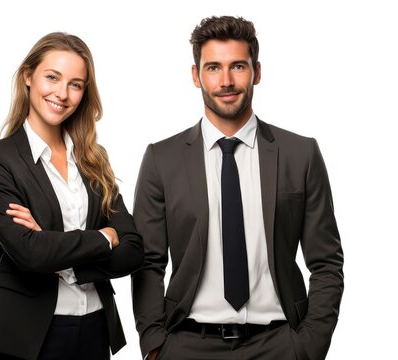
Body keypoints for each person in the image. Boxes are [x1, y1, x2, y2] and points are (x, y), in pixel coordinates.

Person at [132, 15, 343, 360]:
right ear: (195, 75)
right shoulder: (162, 159)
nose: (226, 81)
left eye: (238, 67)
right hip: (187, 345)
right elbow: (148, 263)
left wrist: (308, 345)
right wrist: (155, 345)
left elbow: (326, 262)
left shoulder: (300, 154)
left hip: (278, 344)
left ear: (257, 72)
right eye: (213, 67)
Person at [0, 32, 143, 360]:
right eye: (52, 77)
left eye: (75, 84)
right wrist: (103, 238)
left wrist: (56, 249)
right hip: (25, 334)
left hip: (94, 329)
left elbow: (133, 250)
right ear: (28, 76)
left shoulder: (93, 159)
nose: (62, 93)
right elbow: (29, 254)